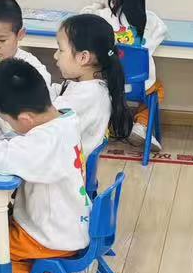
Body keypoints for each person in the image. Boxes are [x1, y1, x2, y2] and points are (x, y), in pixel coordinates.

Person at [0, 58, 91, 273]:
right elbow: (9, 121)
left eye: (7, 119)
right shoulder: (63, 117)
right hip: (67, 224)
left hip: (51, 236)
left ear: (25, 119)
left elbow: (5, 157)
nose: (6, 123)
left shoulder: (44, 143)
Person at [84, 0, 166, 143]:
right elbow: (162, 31)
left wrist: (99, 6)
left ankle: (105, 124)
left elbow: (82, 17)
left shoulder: (101, 17)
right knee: (157, 88)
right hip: (138, 86)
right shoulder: (151, 20)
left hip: (106, 82)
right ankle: (141, 125)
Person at [52, 12, 133, 162]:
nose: (55, 56)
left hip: (64, 169)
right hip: (70, 164)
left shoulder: (86, 95)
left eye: (61, 50)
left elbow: (45, 120)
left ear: (83, 57)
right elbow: (57, 93)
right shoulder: (93, 86)